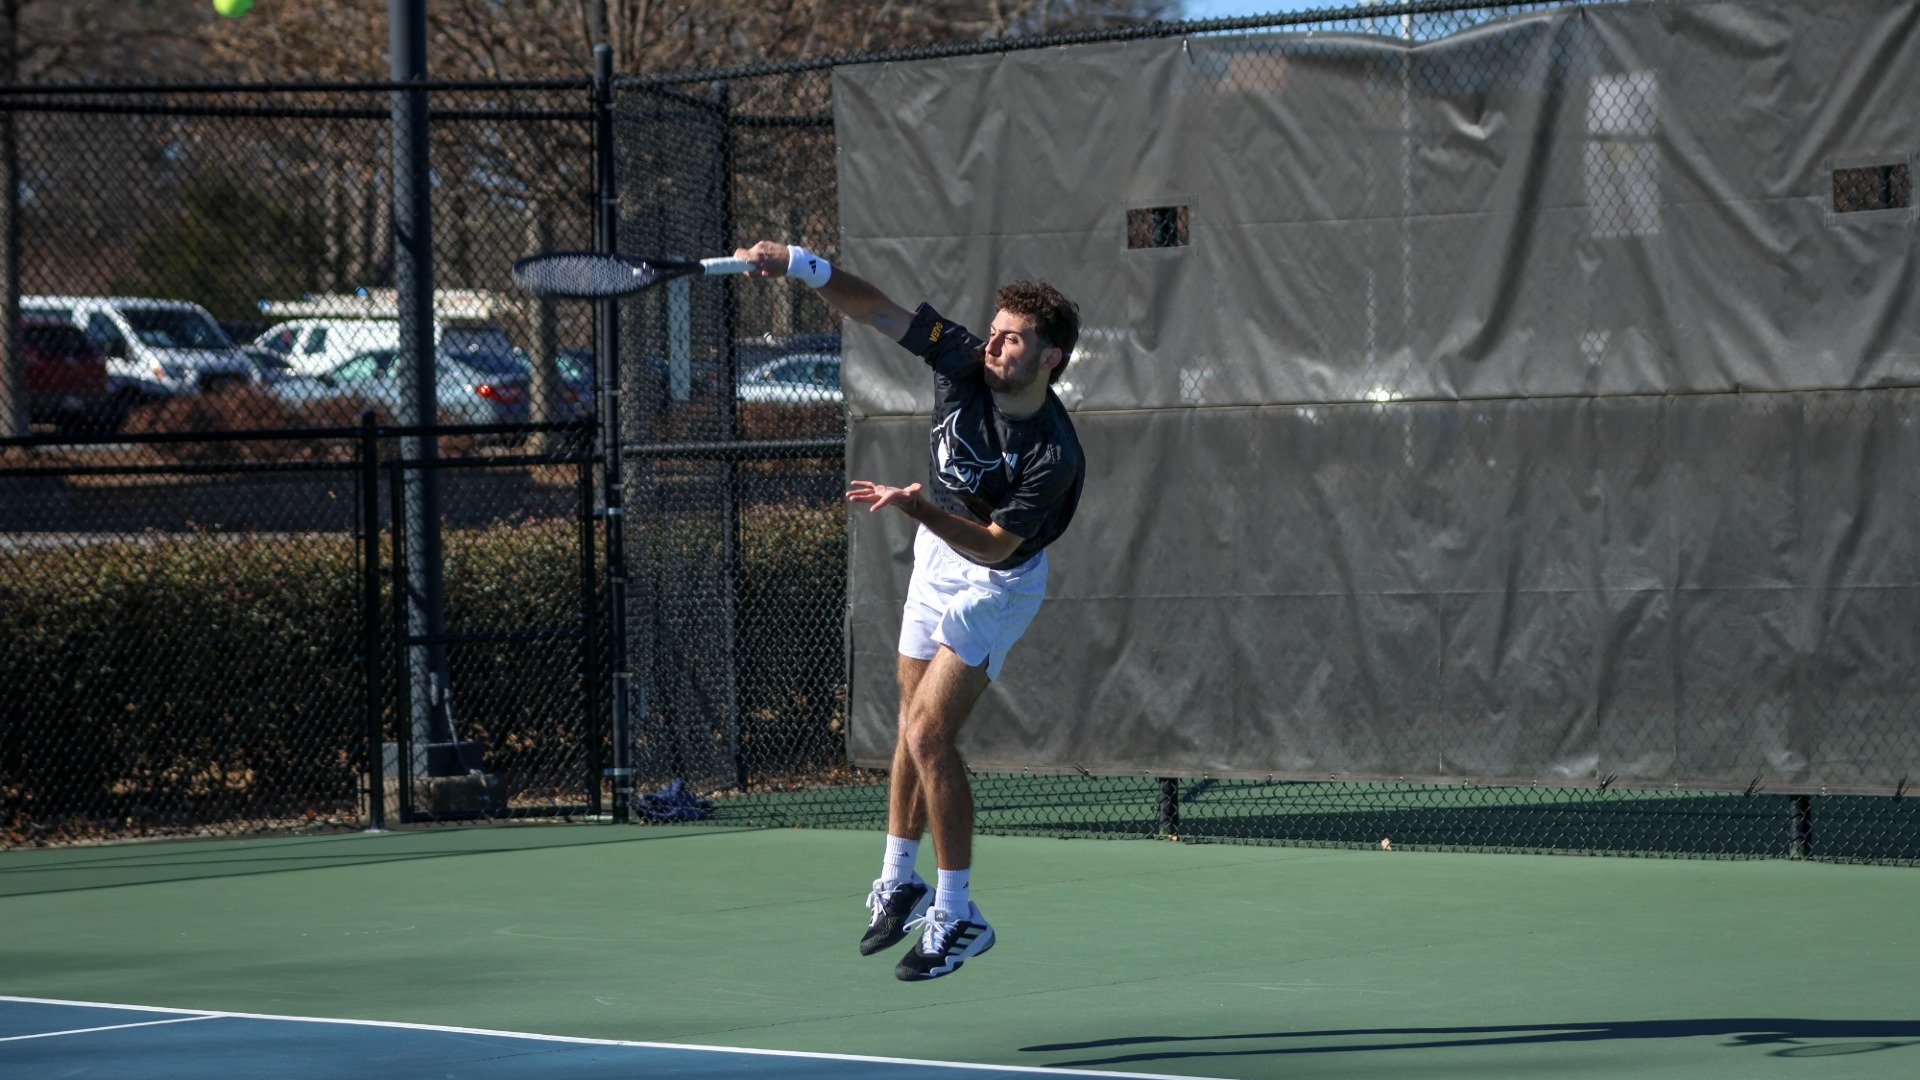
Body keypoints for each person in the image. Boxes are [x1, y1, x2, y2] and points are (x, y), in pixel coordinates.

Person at [734, 240, 1086, 982]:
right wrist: (797, 262)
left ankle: (958, 915)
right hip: (936, 558)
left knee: (929, 734)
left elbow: (994, 546)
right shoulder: (962, 357)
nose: (993, 344)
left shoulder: (1054, 455)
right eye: (995, 330)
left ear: (1050, 358)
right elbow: (877, 310)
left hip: (997, 581)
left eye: (1013, 339)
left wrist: (918, 507)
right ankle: (900, 878)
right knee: (909, 721)